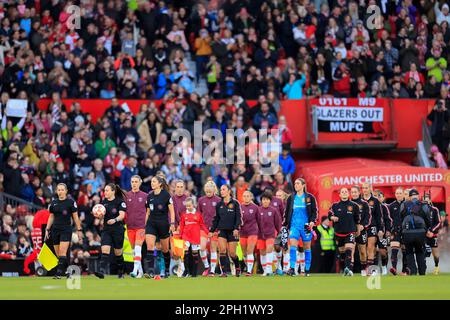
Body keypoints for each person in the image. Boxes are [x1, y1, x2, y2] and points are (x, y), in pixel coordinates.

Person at [45, 183, 83, 279]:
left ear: (66, 191)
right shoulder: (53, 203)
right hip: (55, 230)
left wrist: (79, 230)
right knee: (59, 255)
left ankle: (58, 273)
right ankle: (69, 271)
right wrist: (47, 229)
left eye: (62, 190)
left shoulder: (70, 202)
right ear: (56, 191)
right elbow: (51, 216)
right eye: (59, 190)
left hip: (66, 229)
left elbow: (75, 217)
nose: (60, 192)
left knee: (62, 252)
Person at [283, 178, 318, 276]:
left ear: (303, 185)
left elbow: (315, 211)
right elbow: (287, 212)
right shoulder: (291, 198)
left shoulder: (310, 197)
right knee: (293, 246)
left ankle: (306, 270)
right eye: (295, 184)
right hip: (294, 226)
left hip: (306, 226)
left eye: (298, 183)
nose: (296, 185)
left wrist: (312, 221)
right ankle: (292, 268)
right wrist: (285, 225)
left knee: (307, 247)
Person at [144, 176, 176, 279]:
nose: (152, 183)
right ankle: (150, 272)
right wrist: (145, 226)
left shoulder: (166, 195)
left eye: (154, 181)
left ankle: (166, 270)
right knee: (150, 246)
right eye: (151, 181)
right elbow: (147, 212)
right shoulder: (149, 196)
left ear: (160, 184)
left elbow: (172, 211)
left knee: (165, 249)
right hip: (151, 224)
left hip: (163, 224)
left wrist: (172, 223)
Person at [94, 183, 127, 279]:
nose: (105, 192)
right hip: (106, 230)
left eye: (107, 190)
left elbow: (122, 215)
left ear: (113, 191)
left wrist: (115, 220)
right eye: (104, 190)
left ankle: (121, 272)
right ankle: (101, 271)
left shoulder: (120, 201)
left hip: (118, 229)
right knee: (105, 250)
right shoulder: (103, 202)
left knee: (118, 253)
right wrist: (99, 218)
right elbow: (102, 216)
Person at [209, 184, 241, 277]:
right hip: (222, 230)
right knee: (222, 250)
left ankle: (237, 266)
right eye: (221, 190)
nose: (221, 191)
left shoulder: (235, 203)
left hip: (232, 231)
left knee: (232, 253)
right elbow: (216, 219)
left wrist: (236, 228)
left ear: (229, 191)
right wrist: (211, 230)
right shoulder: (219, 205)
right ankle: (223, 272)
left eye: (223, 189)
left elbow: (238, 218)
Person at [328, 187, 361, 276]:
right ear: (340, 194)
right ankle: (344, 268)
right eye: (342, 192)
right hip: (339, 232)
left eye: (346, 191)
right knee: (342, 252)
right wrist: (332, 218)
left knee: (349, 250)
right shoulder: (334, 206)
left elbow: (357, 219)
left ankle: (349, 269)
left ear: (348, 193)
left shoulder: (354, 205)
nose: (344, 193)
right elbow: (329, 215)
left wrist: (358, 230)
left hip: (350, 231)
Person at [400, 189, 431, 276]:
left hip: (407, 233)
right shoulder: (424, 205)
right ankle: (422, 272)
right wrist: (428, 229)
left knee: (409, 253)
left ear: (409, 197)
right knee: (420, 252)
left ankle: (413, 272)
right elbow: (428, 219)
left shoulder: (404, 204)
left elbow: (401, 218)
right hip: (420, 233)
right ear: (418, 196)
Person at [126, 175, 148, 278]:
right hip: (130, 227)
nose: (134, 183)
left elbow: (149, 211)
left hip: (141, 226)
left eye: (136, 182)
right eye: (132, 182)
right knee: (134, 250)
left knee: (138, 247)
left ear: (140, 182)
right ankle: (140, 271)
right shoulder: (126, 196)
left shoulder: (145, 196)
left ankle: (134, 271)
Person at [179, 197, 207, 277]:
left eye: (189, 206)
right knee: (185, 253)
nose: (188, 208)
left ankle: (194, 272)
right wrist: (181, 235)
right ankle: (186, 271)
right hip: (186, 236)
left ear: (193, 205)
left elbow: (202, 224)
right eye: (187, 206)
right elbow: (181, 225)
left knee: (195, 254)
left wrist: (207, 232)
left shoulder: (198, 214)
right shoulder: (184, 214)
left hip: (195, 236)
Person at [198, 181, 221, 276]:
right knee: (202, 248)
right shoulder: (201, 200)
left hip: (215, 229)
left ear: (214, 190)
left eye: (210, 191)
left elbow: (221, 215)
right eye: (206, 191)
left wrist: (219, 228)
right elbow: (199, 214)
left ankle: (212, 270)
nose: (208, 193)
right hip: (203, 228)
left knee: (213, 249)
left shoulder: (219, 200)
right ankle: (206, 266)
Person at [257, 190, 282, 276]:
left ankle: (269, 270)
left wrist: (280, 233)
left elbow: (278, 223)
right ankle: (265, 270)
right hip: (260, 235)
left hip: (270, 234)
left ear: (270, 201)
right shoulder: (258, 210)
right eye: (264, 199)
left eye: (267, 199)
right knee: (262, 252)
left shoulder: (274, 210)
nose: (265, 201)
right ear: (261, 200)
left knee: (269, 249)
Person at [361, 183, 384, 270]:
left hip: (372, 226)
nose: (365, 189)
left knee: (371, 247)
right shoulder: (360, 201)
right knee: (363, 250)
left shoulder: (375, 201)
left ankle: (370, 269)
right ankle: (364, 268)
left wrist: (381, 229)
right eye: (363, 188)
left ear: (370, 189)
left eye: (366, 188)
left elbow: (379, 216)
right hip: (362, 228)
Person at [350, 186, 370, 276]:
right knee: (351, 251)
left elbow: (368, 217)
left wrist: (363, 225)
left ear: (359, 193)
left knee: (362, 251)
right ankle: (350, 270)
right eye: (352, 192)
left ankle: (363, 269)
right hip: (351, 231)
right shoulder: (348, 204)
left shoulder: (364, 204)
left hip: (361, 231)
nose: (353, 193)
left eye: (355, 192)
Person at [240, 190, 259, 276]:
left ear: (251, 197)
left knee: (249, 250)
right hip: (243, 232)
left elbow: (259, 220)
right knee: (244, 253)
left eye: (248, 196)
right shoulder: (239, 207)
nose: (246, 198)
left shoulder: (255, 207)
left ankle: (249, 271)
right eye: (244, 196)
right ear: (242, 197)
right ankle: (248, 266)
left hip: (252, 232)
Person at [422, 193, 442, 275]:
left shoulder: (435, 209)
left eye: (427, 198)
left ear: (430, 200)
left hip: (433, 235)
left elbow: (438, 222)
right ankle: (423, 268)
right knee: (423, 251)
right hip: (424, 234)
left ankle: (436, 267)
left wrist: (432, 231)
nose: (426, 200)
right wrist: (425, 231)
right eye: (424, 198)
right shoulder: (420, 209)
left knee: (435, 252)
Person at [388, 187, 406, 275]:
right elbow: (388, 219)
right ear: (395, 195)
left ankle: (404, 270)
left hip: (406, 231)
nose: (398, 195)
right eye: (397, 193)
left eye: (400, 193)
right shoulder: (391, 206)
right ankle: (394, 268)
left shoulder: (407, 204)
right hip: (395, 231)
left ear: (403, 194)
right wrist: (390, 229)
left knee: (405, 251)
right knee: (394, 250)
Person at [376, 190, 393, 276]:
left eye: (379, 196)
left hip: (382, 232)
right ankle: (374, 269)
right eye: (376, 196)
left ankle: (384, 267)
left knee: (383, 251)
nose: (377, 198)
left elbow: (388, 220)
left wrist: (388, 230)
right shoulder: (370, 206)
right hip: (372, 232)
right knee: (372, 250)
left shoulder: (384, 207)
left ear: (383, 198)